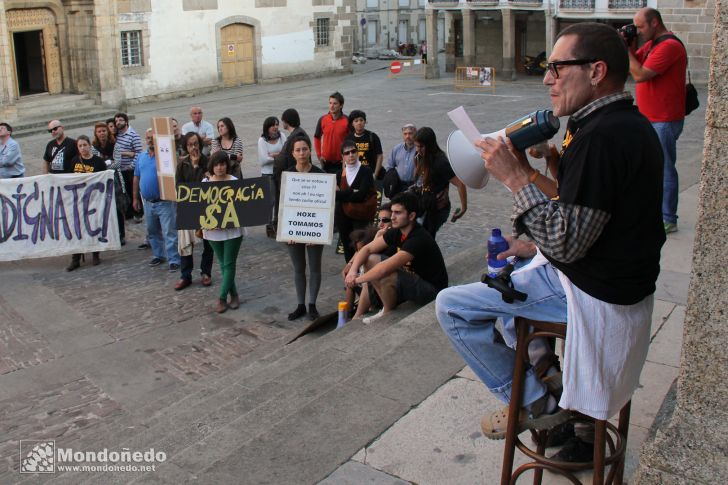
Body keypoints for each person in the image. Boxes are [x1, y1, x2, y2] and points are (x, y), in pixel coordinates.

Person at [436, 23, 665, 444]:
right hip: (613, 278)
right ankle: (556, 387)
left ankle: (539, 406)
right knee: (511, 276)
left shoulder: (603, 138)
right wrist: (530, 244)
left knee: (453, 306)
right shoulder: (621, 125)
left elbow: (567, 242)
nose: (547, 79)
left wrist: (518, 178)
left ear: (595, 71)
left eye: (557, 68)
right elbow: (588, 219)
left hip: (596, 291)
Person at [345, 191, 448, 324]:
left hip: (432, 291)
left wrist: (357, 280)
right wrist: (352, 271)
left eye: (398, 213)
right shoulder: (398, 231)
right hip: (413, 280)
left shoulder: (418, 238)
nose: (392, 217)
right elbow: (367, 249)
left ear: (411, 216)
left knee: (386, 272)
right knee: (371, 259)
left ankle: (387, 312)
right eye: (392, 212)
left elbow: (383, 269)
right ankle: (383, 308)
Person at [626, 7, 687, 234]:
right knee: (648, 167)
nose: (639, 31)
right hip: (649, 117)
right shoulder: (652, 44)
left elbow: (640, 73)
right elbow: (631, 65)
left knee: (665, 168)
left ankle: (668, 217)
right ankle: (653, 211)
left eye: (641, 27)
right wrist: (629, 45)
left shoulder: (669, 46)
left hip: (664, 118)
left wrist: (625, 50)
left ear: (654, 23)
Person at [283, 137, 326, 321]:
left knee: (315, 267)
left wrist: (318, 232)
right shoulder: (287, 175)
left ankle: (312, 304)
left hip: (314, 229)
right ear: (293, 153)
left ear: (310, 151)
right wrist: (287, 231)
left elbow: (326, 206)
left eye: (305, 149)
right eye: (298, 150)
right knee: (298, 268)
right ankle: (301, 304)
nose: (302, 153)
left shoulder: (321, 175)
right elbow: (283, 205)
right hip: (294, 230)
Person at [132, 129, 181, 272]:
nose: (149, 140)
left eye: (151, 137)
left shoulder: (165, 156)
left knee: (169, 232)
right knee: (152, 230)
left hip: (164, 201)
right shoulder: (141, 156)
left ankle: (174, 259)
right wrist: (135, 198)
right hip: (148, 202)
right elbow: (136, 177)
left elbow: (175, 172)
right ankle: (159, 255)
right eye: (147, 138)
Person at [203, 151, 245, 313]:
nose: (219, 167)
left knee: (228, 263)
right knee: (223, 264)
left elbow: (242, 208)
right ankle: (234, 294)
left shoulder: (234, 182)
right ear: (212, 166)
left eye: (222, 164)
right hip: (213, 231)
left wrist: (228, 221)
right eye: (216, 164)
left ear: (227, 165)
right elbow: (200, 209)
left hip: (232, 231)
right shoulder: (205, 183)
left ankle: (221, 297)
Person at [175, 132, 214, 291]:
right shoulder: (182, 164)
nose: (193, 148)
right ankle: (185, 275)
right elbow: (179, 186)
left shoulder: (207, 162)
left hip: (205, 208)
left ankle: (206, 272)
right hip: (188, 207)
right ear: (186, 147)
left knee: (208, 242)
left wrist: (198, 167)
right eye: (190, 145)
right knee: (185, 243)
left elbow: (206, 185)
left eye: (196, 144)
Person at [412, 127, 467, 237]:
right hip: (423, 204)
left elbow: (460, 183)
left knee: (426, 238)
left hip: (437, 208)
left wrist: (463, 208)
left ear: (430, 145)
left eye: (421, 146)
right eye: (416, 146)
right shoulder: (418, 157)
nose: (418, 149)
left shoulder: (440, 162)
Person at [64, 135, 108, 271]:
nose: (83, 148)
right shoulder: (74, 161)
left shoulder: (98, 162)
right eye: (80, 146)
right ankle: (75, 258)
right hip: (77, 200)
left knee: (93, 226)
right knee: (77, 228)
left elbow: (103, 180)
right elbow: (69, 179)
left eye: (85, 145)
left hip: (93, 200)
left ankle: (95, 254)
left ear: (89, 145)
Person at [336, 139, 376, 263]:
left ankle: (363, 275)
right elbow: (335, 196)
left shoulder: (366, 171)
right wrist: (351, 192)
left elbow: (361, 195)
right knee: (348, 246)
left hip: (360, 215)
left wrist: (342, 194)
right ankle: (351, 275)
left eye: (353, 151)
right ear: (342, 156)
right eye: (347, 153)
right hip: (343, 215)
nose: (351, 155)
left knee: (361, 245)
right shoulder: (339, 174)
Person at [272, 109, 310, 235]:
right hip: (285, 176)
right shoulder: (295, 134)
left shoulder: (298, 136)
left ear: (286, 121)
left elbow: (294, 159)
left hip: (291, 179)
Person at [92, 121, 125, 245]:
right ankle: (109, 233)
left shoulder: (115, 144)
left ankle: (121, 234)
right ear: (96, 133)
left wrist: (104, 165)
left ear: (108, 131)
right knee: (104, 208)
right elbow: (96, 162)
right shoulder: (94, 147)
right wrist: (107, 162)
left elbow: (117, 163)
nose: (102, 134)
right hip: (101, 180)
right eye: (99, 131)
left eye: (104, 131)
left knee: (117, 208)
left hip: (115, 179)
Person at [258, 116, 287, 234]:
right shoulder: (262, 140)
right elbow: (263, 160)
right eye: (272, 125)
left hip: (280, 172)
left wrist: (273, 155)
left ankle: (278, 223)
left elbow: (287, 153)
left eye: (277, 124)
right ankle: (269, 226)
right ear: (267, 127)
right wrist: (279, 155)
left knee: (280, 199)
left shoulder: (282, 136)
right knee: (271, 201)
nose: (275, 127)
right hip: (268, 174)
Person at [114, 112, 143, 220]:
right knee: (124, 191)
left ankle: (138, 213)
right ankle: (129, 212)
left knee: (134, 192)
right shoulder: (117, 135)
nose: (118, 123)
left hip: (131, 169)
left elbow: (139, 152)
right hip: (120, 169)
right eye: (116, 121)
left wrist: (132, 165)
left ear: (126, 121)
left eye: (120, 120)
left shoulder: (133, 135)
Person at [314, 91, 349, 174]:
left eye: (335, 103)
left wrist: (346, 157)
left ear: (341, 105)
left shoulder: (347, 120)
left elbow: (352, 141)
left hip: (342, 163)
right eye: (330, 103)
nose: (332, 106)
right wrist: (319, 156)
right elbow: (316, 138)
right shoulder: (323, 119)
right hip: (326, 163)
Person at [344, 110, 383, 179]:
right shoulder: (348, 138)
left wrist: (375, 174)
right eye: (356, 121)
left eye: (361, 120)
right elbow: (344, 157)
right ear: (352, 124)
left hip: (370, 172)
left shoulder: (373, 136)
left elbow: (380, 156)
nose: (359, 123)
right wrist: (345, 174)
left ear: (365, 122)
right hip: (354, 173)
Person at [382, 123, 417, 198]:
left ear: (415, 134)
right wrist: (392, 181)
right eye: (405, 134)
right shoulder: (396, 149)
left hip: (415, 186)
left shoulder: (419, 149)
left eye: (410, 134)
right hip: (399, 186)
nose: (407, 136)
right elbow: (389, 167)